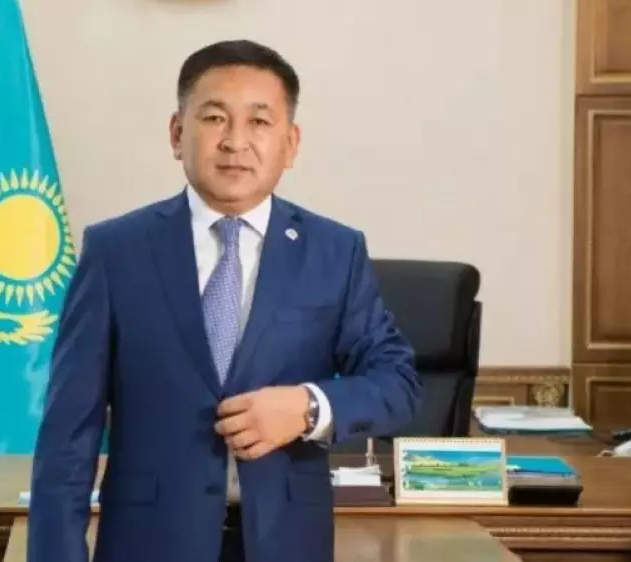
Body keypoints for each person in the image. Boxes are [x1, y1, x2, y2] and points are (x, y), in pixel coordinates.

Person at [27, 39, 421, 562]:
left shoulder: (335, 251)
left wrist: (307, 408)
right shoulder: (115, 252)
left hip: (286, 544)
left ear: (291, 143)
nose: (235, 141)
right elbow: (66, 440)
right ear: (177, 133)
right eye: (214, 118)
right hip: (149, 545)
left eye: (259, 121)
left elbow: (397, 382)